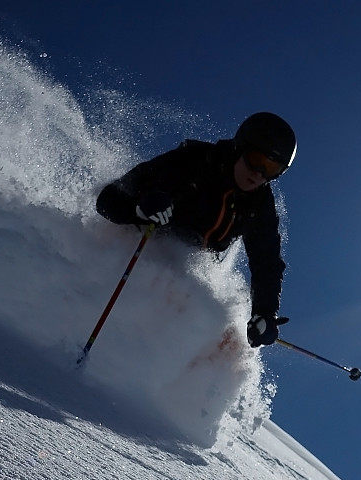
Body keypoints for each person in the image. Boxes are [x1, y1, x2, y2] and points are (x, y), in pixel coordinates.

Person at [96, 112, 296, 348]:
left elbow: (267, 261)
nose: (259, 174)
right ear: (240, 147)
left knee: (219, 323)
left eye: (271, 169)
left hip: (185, 269)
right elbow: (107, 199)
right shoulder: (194, 161)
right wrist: (137, 209)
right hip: (141, 244)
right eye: (256, 159)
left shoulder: (259, 204)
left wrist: (265, 312)